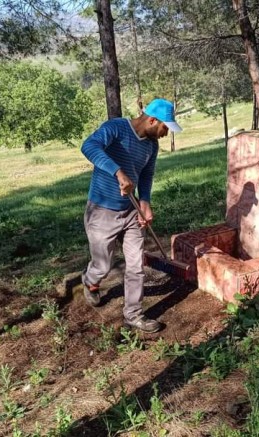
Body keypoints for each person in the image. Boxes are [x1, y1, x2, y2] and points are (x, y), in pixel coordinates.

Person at [80, 99, 182, 333]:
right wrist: (118, 172)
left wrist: (145, 202)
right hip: (102, 211)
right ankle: (90, 280)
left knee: (136, 266)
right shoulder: (115, 128)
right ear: (152, 120)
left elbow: (146, 175)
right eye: (165, 128)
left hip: (132, 210)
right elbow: (89, 146)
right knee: (103, 265)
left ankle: (133, 314)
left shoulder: (152, 146)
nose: (166, 133)